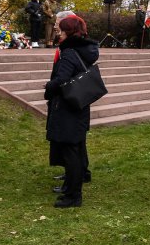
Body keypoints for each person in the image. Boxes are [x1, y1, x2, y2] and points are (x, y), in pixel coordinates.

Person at [45, 15, 99, 208]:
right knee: (74, 151)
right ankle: (70, 190)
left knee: (71, 153)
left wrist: (48, 86)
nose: (58, 33)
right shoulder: (83, 50)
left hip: (67, 108)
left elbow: (61, 80)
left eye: (60, 30)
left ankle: (73, 196)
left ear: (68, 32)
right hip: (78, 106)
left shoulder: (69, 52)